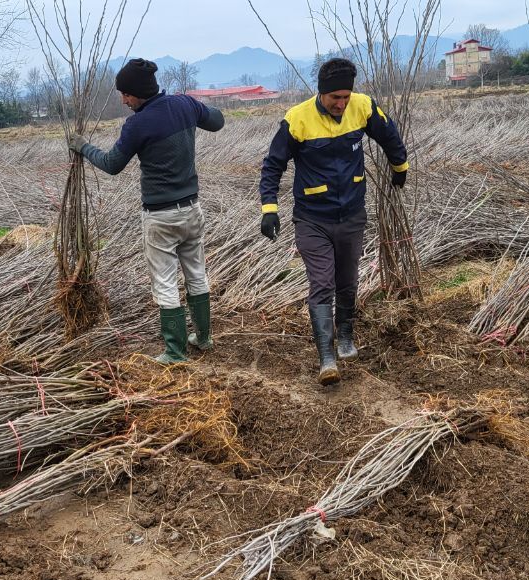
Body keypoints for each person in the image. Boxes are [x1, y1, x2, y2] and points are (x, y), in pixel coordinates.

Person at [258, 57, 409, 385]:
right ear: (321, 94)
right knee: (322, 283)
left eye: (345, 97)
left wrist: (400, 167)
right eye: (334, 98)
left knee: (347, 281)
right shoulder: (297, 120)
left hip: (352, 214)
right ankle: (327, 357)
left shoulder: (363, 107)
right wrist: (269, 208)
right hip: (312, 219)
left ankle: (345, 337)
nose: (341, 104)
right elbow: (273, 166)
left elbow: (390, 135)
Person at [67, 58, 225, 364]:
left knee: (165, 282)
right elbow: (217, 121)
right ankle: (203, 338)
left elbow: (112, 164)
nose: (124, 100)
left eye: (126, 94)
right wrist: (191, 107)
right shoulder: (184, 104)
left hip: (161, 217)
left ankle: (175, 353)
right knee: (196, 272)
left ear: (138, 93)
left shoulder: (138, 124)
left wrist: (83, 147)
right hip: (192, 209)